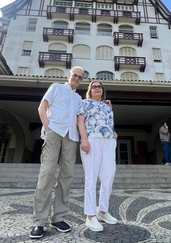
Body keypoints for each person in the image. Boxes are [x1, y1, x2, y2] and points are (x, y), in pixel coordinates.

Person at [30, 66, 85, 239]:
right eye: (74, 75)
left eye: (80, 77)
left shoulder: (78, 98)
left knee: (67, 176)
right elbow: (42, 107)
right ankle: (39, 221)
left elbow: (81, 117)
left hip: (71, 136)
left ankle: (59, 217)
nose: (76, 79)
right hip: (54, 131)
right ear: (69, 75)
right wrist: (47, 127)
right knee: (47, 174)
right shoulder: (56, 87)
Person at [77, 80, 118, 232]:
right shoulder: (85, 103)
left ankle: (102, 210)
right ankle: (90, 215)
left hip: (108, 142)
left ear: (102, 90)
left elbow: (109, 122)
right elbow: (80, 121)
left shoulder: (108, 106)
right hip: (92, 140)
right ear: (90, 90)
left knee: (108, 176)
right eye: (94, 86)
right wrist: (84, 139)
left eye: (99, 86)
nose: (97, 88)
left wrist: (114, 134)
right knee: (91, 177)